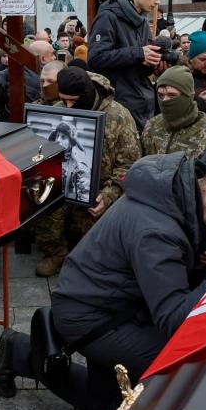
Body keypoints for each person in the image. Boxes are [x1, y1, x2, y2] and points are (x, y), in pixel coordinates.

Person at [0, 152, 206, 410]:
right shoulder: (157, 228)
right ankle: (21, 353)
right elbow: (174, 319)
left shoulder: (173, 192)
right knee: (179, 369)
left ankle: (21, 352)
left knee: (110, 398)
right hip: (92, 316)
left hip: (110, 303)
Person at [34, 67, 141, 277]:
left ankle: (89, 258)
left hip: (99, 191)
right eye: (64, 100)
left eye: (74, 100)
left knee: (98, 251)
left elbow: (129, 165)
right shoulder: (58, 109)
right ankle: (56, 253)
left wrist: (109, 195)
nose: (69, 106)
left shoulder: (119, 116)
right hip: (63, 186)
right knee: (42, 203)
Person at [88, 0, 164, 132]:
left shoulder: (143, 22)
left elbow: (138, 63)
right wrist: (139, 53)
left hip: (143, 104)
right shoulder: (108, 17)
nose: (158, 1)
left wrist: (151, 63)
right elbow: (96, 57)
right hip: (120, 108)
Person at [141, 66, 206, 157]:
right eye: (161, 95)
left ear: (188, 96)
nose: (165, 100)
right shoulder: (152, 125)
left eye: (172, 95)